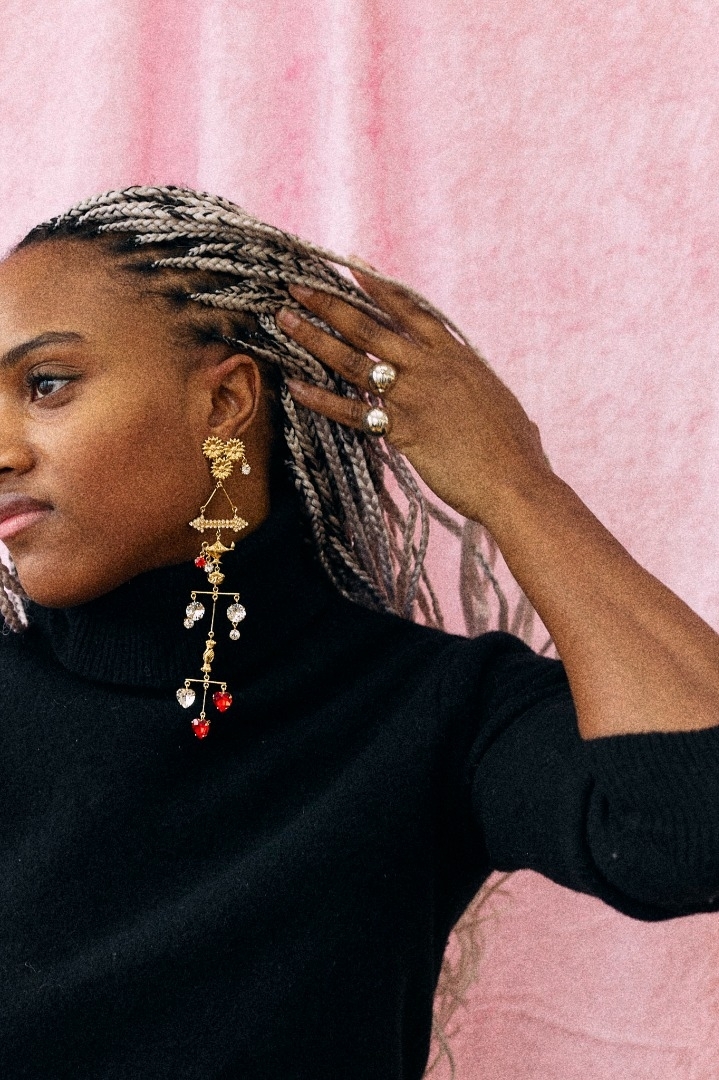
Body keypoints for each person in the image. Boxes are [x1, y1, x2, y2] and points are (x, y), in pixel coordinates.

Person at [0, 185, 718, 1080]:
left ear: (225, 403)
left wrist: (515, 486)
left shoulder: (433, 711)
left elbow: (688, 833)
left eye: (46, 384)